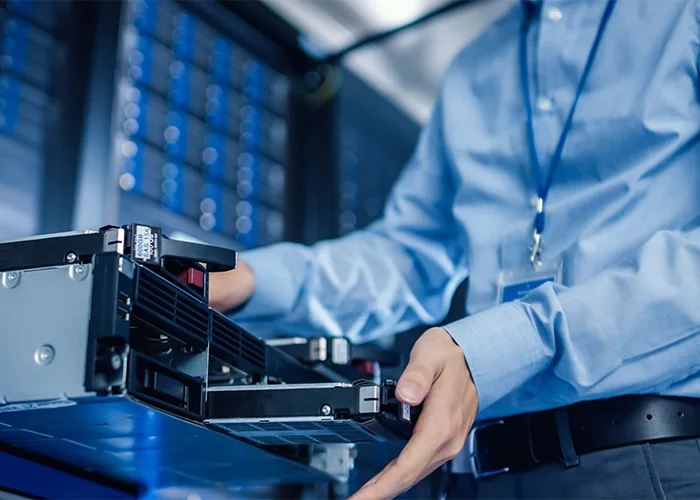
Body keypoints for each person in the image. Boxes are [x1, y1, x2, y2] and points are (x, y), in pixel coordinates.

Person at [209, 0, 700, 498]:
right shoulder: (476, 66)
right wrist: (249, 280)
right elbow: (409, 256)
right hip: (475, 474)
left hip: (643, 457)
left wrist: (502, 346)